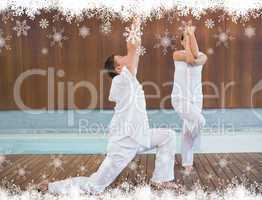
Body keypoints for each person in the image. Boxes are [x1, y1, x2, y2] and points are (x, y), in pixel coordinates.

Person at [37, 18, 177, 194]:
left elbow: (133, 52)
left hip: (140, 135)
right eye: (122, 58)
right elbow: (133, 48)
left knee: (168, 136)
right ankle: (51, 187)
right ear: (118, 68)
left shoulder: (128, 78)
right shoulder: (122, 80)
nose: (129, 58)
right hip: (124, 143)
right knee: (95, 186)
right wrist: (136, 18)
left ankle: (161, 180)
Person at [171, 23, 207, 174]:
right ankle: (195, 145)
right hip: (180, 98)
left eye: (191, 39)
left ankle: (187, 162)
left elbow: (196, 58)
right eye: (184, 40)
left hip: (196, 99)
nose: (188, 42)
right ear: (181, 42)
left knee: (187, 130)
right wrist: (187, 38)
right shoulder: (177, 55)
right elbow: (191, 60)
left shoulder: (203, 56)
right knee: (200, 121)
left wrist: (191, 34)